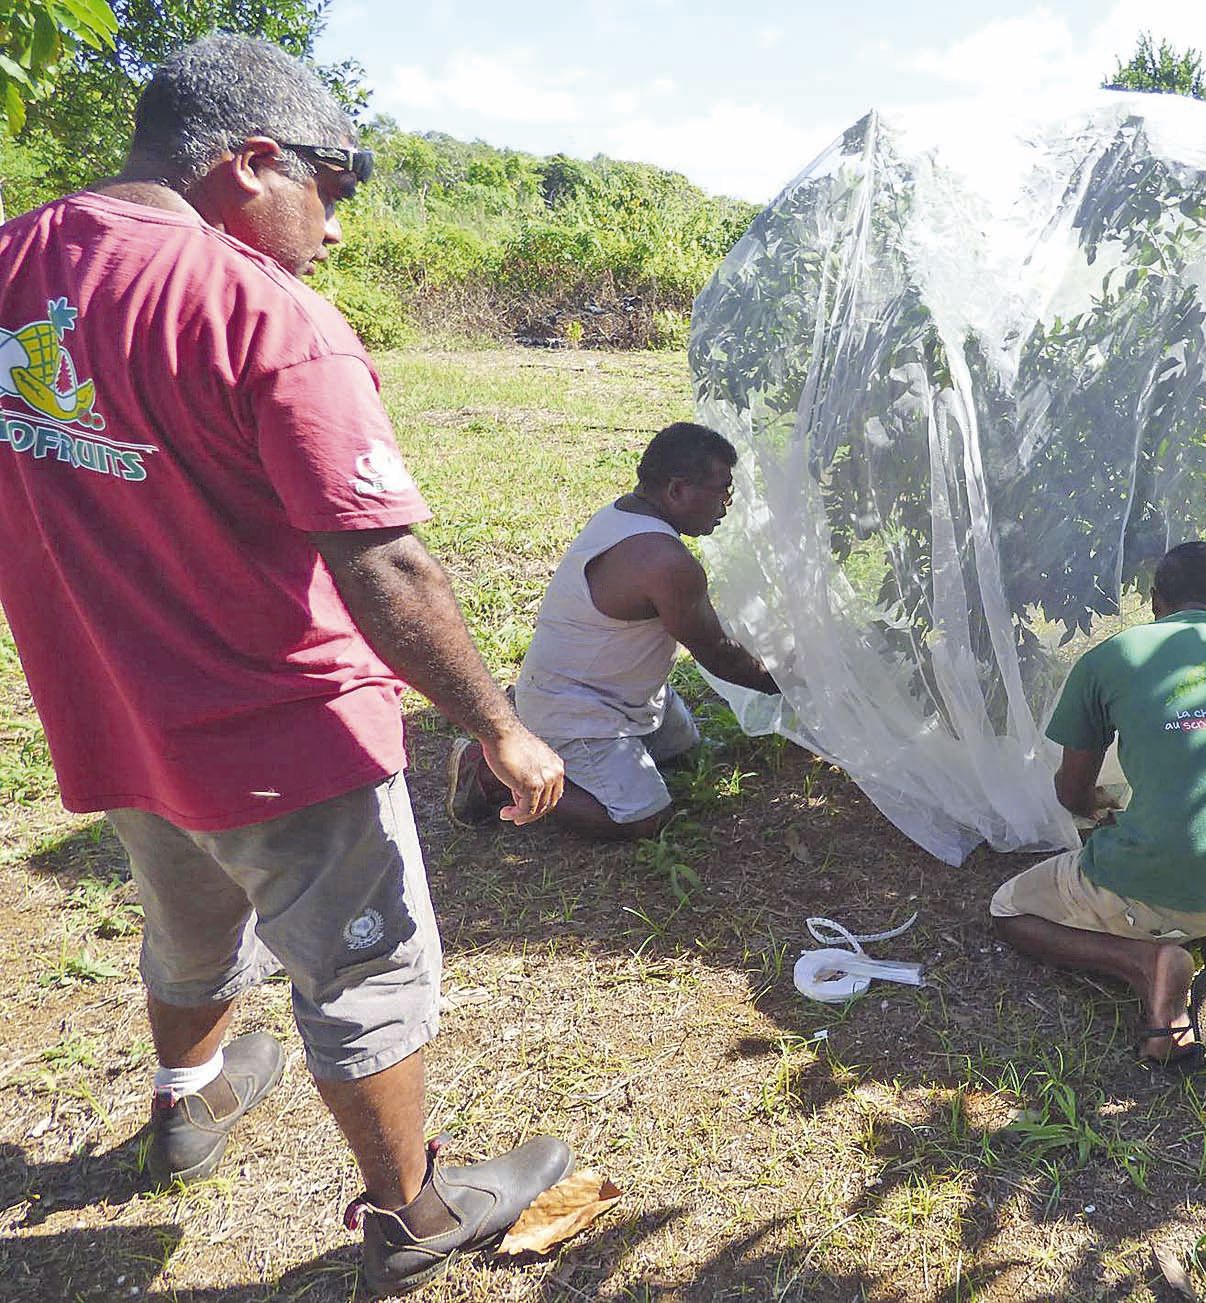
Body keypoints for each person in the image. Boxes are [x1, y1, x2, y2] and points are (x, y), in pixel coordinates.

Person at [0, 35, 572, 1296]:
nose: (338, 227)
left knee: (185, 917)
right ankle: (414, 1212)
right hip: (283, 730)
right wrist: (498, 723)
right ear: (253, 161)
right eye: (336, 185)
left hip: (112, 712)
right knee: (363, 966)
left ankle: (187, 1104)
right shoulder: (267, 312)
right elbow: (390, 568)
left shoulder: (15, 259)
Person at [990, 541, 1206, 1067]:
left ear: (1155, 599)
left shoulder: (1114, 655)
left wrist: (1097, 809)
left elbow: (1072, 792)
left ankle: (1149, 962)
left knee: (1008, 909)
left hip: (1167, 887)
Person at [446, 421, 779, 839]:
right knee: (642, 817)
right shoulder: (665, 561)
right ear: (676, 490)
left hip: (621, 695)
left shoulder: (627, 512)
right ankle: (494, 773)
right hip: (577, 708)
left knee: (685, 755)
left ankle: (551, 747)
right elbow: (716, 652)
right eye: (722, 491)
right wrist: (786, 684)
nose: (726, 505)